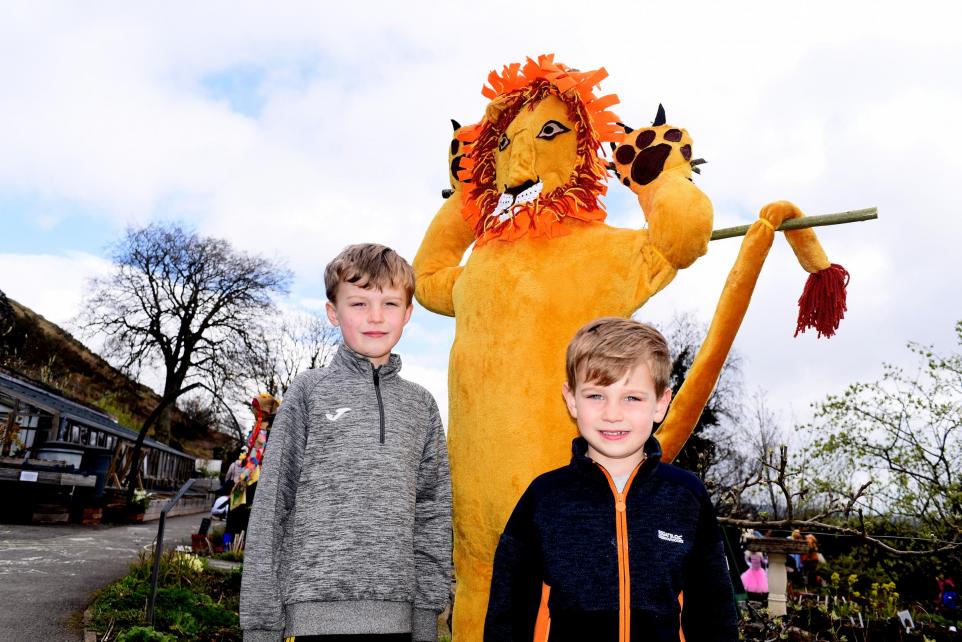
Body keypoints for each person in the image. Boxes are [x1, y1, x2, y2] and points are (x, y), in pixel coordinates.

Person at [240, 243, 452, 642]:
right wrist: (262, 624)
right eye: (358, 304)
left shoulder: (421, 405)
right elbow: (271, 509)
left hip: (401, 620)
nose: (375, 317)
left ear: (408, 313)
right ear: (333, 312)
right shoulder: (308, 392)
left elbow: (433, 514)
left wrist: (427, 616)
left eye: (390, 304)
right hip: (313, 617)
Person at [484, 317, 738, 641]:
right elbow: (508, 616)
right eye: (596, 396)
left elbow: (715, 615)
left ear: (661, 403)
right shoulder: (543, 498)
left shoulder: (687, 496)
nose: (613, 413)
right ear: (572, 399)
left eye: (632, 398)